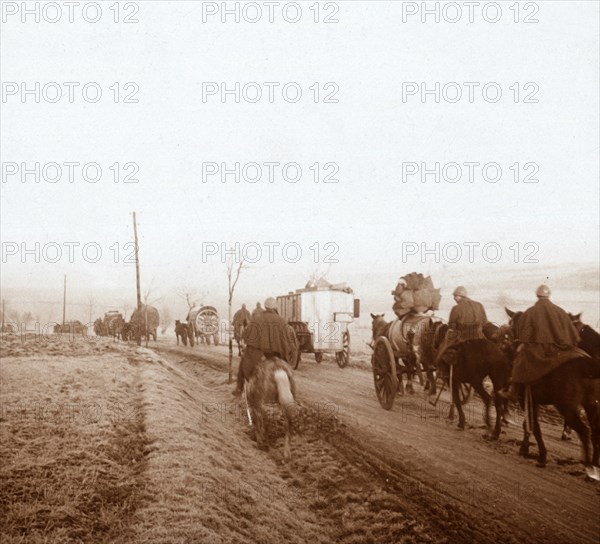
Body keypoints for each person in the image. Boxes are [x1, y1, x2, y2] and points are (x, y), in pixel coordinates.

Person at [499, 285, 584, 401]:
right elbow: (571, 333)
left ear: (537, 295)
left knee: (519, 362)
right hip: (560, 348)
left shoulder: (530, 312)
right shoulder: (560, 311)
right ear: (549, 295)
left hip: (539, 349)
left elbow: (525, 336)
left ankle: (514, 392)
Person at [232, 297, 298, 396]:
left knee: (243, 364)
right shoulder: (283, 321)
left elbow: (246, 335)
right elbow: (290, 342)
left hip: (258, 355)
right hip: (278, 355)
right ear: (275, 307)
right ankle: (293, 393)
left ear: (265, 307)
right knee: (288, 373)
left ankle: (239, 388)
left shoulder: (256, 319)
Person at [436, 286, 488, 366]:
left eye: (455, 296)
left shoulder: (456, 308)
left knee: (443, 348)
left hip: (462, 337)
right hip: (479, 335)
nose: (454, 298)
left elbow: (451, 326)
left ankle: (440, 368)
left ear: (460, 296)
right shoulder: (479, 305)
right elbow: (484, 322)